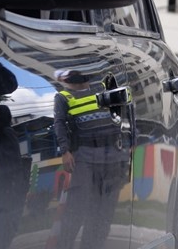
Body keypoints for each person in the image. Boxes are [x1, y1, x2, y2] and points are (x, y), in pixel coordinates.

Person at [52, 69, 128, 249]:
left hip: (111, 156)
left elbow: (121, 111)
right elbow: (59, 123)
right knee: (77, 208)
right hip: (85, 158)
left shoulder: (101, 88)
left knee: (103, 212)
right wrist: (65, 151)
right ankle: (65, 244)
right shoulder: (63, 97)